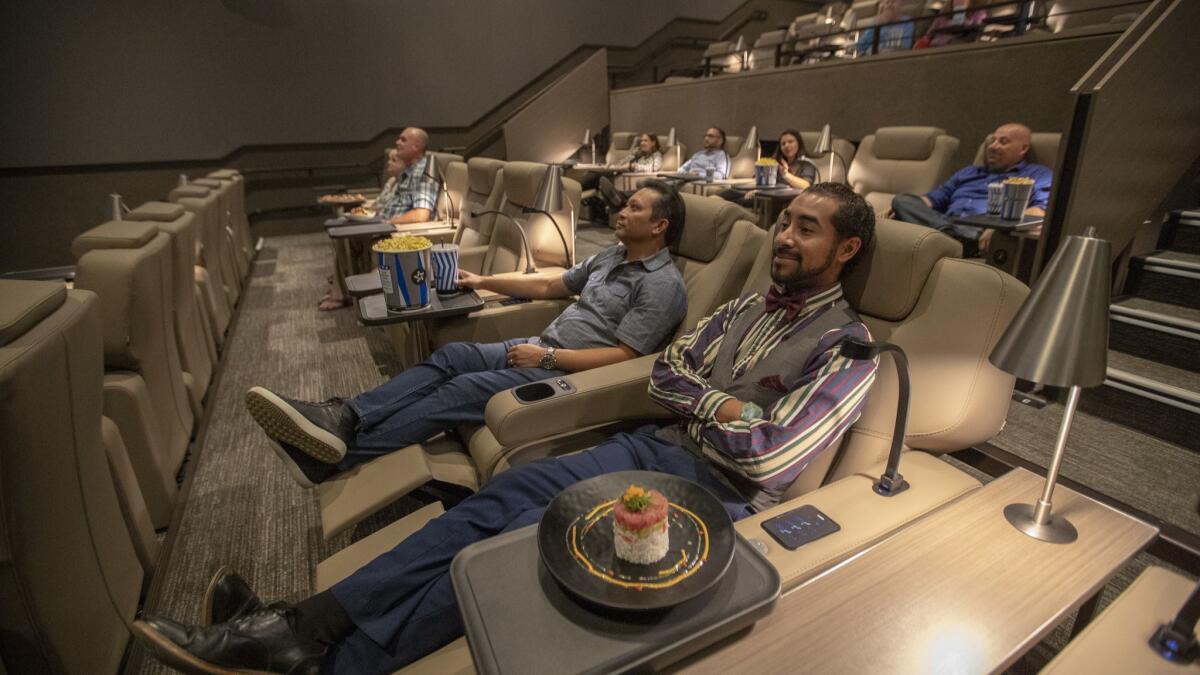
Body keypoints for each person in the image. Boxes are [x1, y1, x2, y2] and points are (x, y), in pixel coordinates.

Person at [131, 183, 879, 674]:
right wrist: (721, 404)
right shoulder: (745, 306)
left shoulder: (850, 347)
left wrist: (701, 401)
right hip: (648, 449)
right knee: (497, 501)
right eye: (784, 220)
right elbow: (664, 373)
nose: (784, 235)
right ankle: (299, 624)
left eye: (805, 228)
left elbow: (772, 448)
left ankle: (328, 659)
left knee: (512, 551)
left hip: (709, 500)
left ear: (845, 250)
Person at [247, 181, 689, 487]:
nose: (621, 210)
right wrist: (483, 281)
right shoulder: (611, 256)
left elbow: (625, 356)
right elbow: (552, 285)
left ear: (659, 226)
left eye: (635, 207)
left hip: (564, 374)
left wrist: (547, 360)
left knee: (461, 389)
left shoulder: (662, 286)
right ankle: (346, 415)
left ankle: (337, 456)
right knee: (453, 354)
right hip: (538, 348)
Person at [320, 127, 439, 311]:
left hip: (394, 230)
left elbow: (420, 214)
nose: (397, 143)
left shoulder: (424, 173)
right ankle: (343, 291)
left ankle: (354, 298)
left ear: (417, 146)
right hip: (381, 222)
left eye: (403, 140)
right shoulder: (407, 172)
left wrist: (388, 223)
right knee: (345, 239)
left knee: (365, 241)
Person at [890, 122, 1052, 256]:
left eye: (1003, 142)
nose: (993, 146)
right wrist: (900, 207)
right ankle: (953, 238)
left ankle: (948, 239)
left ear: (1022, 149)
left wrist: (1001, 227)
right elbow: (933, 199)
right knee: (903, 199)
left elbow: (1040, 210)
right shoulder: (968, 171)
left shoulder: (1037, 174)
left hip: (979, 230)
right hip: (947, 221)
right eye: (992, 141)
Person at [718, 129, 817, 206]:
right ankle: (713, 201)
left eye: (790, 142)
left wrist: (786, 175)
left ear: (799, 144)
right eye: (783, 144)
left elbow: (806, 186)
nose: (787, 145)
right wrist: (759, 190)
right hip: (767, 194)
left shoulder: (807, 164)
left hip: (779, 200)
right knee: (731, 193)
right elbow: (771, 185)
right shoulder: (778, 163)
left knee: (737, 201)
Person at [915, 0, 987, 49]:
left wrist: (964, 21)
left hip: (955, 45)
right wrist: (924, 40)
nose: (959, 1)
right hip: (934, 46)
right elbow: (930, 32)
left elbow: (977, 29)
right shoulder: (944, 14)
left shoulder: (979, 12)